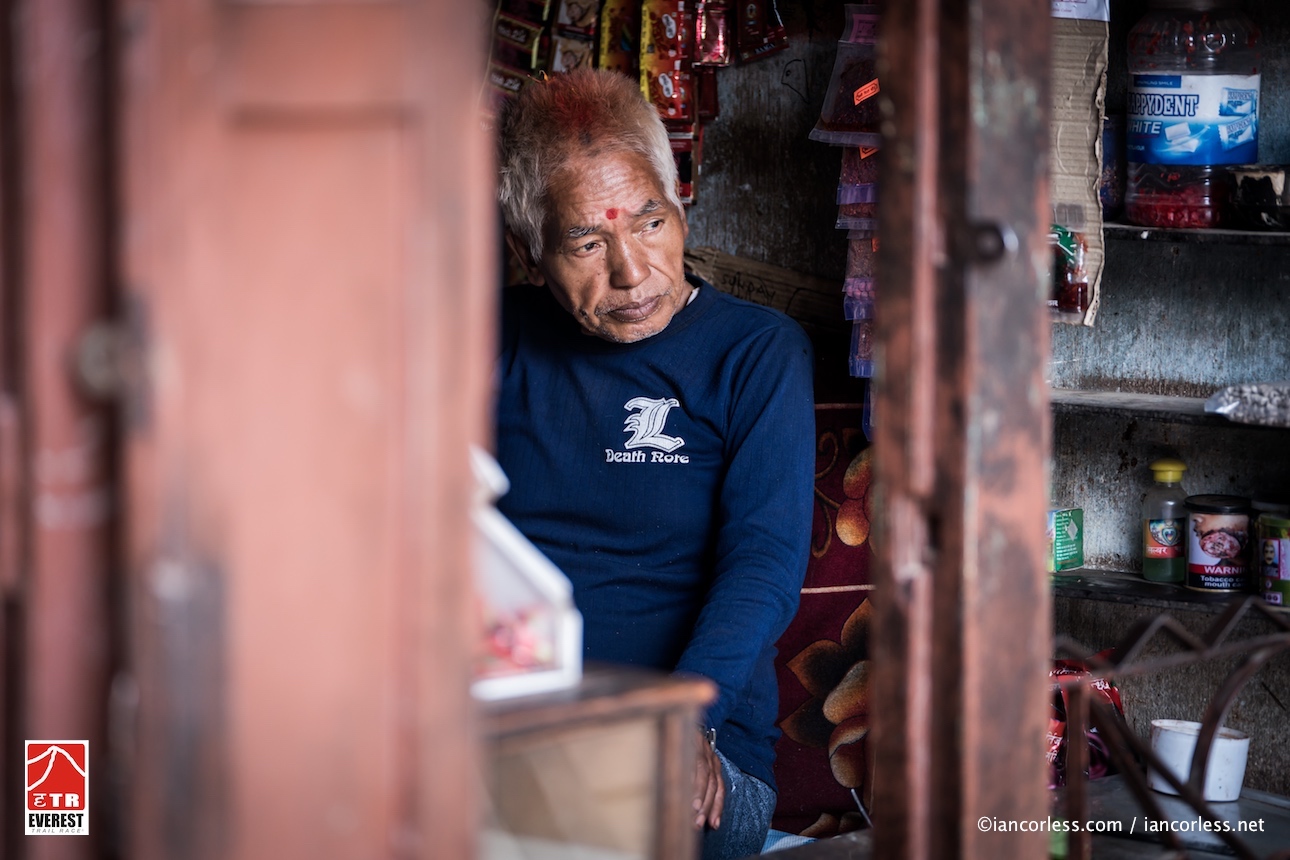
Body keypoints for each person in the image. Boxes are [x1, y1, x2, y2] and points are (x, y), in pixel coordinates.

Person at [493, 67, 815, 860]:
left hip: (696, 746)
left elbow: (764, 563)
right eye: (587, 242)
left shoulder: (755, 353)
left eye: (649, 223)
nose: (632, 272)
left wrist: (683, 720)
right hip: (513, 728)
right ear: (530, 251)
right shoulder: (489, 337)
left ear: (680, 205)